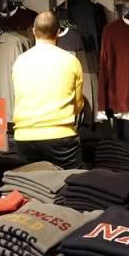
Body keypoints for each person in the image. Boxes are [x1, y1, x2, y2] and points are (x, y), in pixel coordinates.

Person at [11, 12, 84, 169]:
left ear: (33, 31)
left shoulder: (19, 61)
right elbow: (78, 105)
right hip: (60, 135)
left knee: (30, 182)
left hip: (24, 136)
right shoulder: (71, 61)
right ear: (58, 32)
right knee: (70, 181)